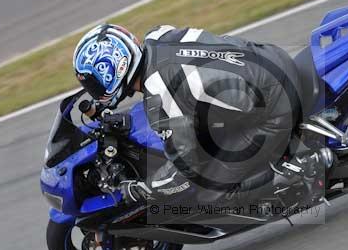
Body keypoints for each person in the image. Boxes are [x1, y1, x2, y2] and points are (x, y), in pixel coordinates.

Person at [73, 23, 330, 206]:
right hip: (270, 60)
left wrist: (145, 189)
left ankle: (299, 172)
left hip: (275, 108)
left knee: (210, 194)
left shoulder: (161, 94)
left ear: (115, 70)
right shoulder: (158, 36)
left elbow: (186, 168)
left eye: (95, 84)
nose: (95, 92)